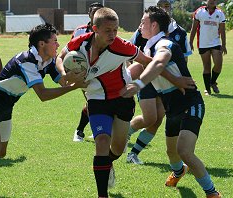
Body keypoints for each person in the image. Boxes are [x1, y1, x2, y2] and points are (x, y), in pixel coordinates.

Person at [56, 7, 193, 198]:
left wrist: (176, 80)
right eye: (107, 31)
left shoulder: (121, 46)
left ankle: (107, 163)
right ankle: (102, 194)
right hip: (96, 99)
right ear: (95, 29)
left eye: (115, 30)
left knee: (117, 149)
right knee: (102, 142)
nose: (113, 34)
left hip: (122, 99)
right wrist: (63, 74)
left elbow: (150, 61)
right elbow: (60, 58)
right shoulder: (80, 41)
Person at [121, 6, 221, 198]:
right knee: (171, 153)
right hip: (172, 107)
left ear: (154, 25)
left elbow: (158, 63)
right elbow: (133, 70)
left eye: (143, 22)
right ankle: (178, 171)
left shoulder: (164, 44)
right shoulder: (149, 46)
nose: (140, 25)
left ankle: (212, 192)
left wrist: (140, 84)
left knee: (184, 151)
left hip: (191, 103)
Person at [0, 23, 87, 198]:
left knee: (1, 152)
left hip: (7, 106)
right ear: (42, 44)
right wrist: (73, 87)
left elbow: (63, 81)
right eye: (54, 41)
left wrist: (77, 76)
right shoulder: (27, 60)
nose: (58, 45)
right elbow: (43, 94)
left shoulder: (47, 62)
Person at [126, 0, 193, 165]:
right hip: (148, 79)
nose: (164, 8)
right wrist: (133, 78)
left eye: (167, 6)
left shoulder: (180, 32)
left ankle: (133, 154)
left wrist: (177, 79)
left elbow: (181, 60)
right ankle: (123, 134)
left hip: (165, 84)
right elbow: (132, 54)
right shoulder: (144, 28)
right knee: (149, 118)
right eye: (161, 5)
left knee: (157, 120)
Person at [71, 2, 104, 142]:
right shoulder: (80, 31)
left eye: (99, 12)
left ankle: (96, 129)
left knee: (98, 102)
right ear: (89, 14)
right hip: (84, 72)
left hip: (102, 71)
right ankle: (79, 131)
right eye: (94, 12)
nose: (96, 15)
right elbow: (71, 52)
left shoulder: (106, 29)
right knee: (92, 101)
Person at [189, 0, 227, 96]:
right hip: (203, 44)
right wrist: (190, 42)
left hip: (215, 43)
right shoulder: (199, 12)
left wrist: (224, 45)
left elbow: (222, 31)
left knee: (218, 65)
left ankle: (212, 82)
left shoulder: (220, 13)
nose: (212, 1)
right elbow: (193, 28)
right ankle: (207, 89)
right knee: (207, 66)